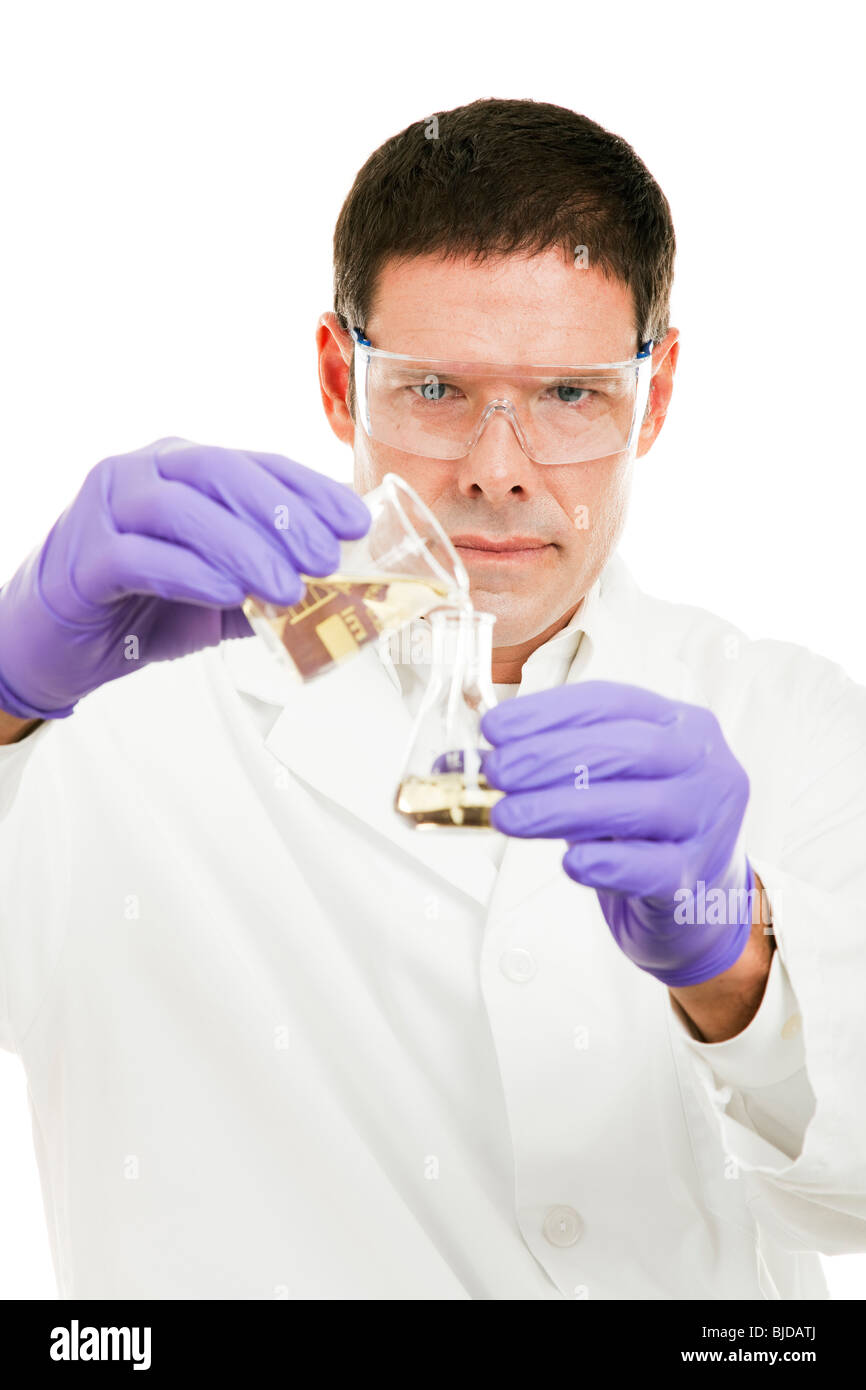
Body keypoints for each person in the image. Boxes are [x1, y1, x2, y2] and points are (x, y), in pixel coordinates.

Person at [0, 97, 864, 1301]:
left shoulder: (791, 719)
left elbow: (851, 1198)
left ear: (653, 394)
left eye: (569, 395)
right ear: (336, 378)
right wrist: (2, 703)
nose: (496, 468)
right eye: (436, 389)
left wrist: (734, 957)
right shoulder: (123, 721)